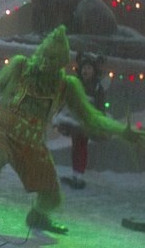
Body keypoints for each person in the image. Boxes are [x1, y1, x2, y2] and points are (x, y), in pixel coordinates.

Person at [0, 25, 145, 234]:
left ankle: (37, 217)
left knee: (52, 197)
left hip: (32, 140)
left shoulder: (66, 85)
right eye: (45, 56)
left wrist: (122, 131)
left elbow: (91, 118)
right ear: (40, 53)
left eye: (53, 60)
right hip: (5, 127)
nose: (46, 63)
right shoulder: (21, 66)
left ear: (61, 63)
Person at [54, 52, 108, 189]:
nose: (86, 70)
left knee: (81, 147)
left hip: (86, 122)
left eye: (89, 68)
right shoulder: (76, 83)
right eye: (84, 68)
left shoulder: (97, 88)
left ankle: (78, 175)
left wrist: (98, 120)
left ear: (94, 71)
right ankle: (76, 174)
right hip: (75, 120)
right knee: (76, 146)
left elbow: (100, 106)